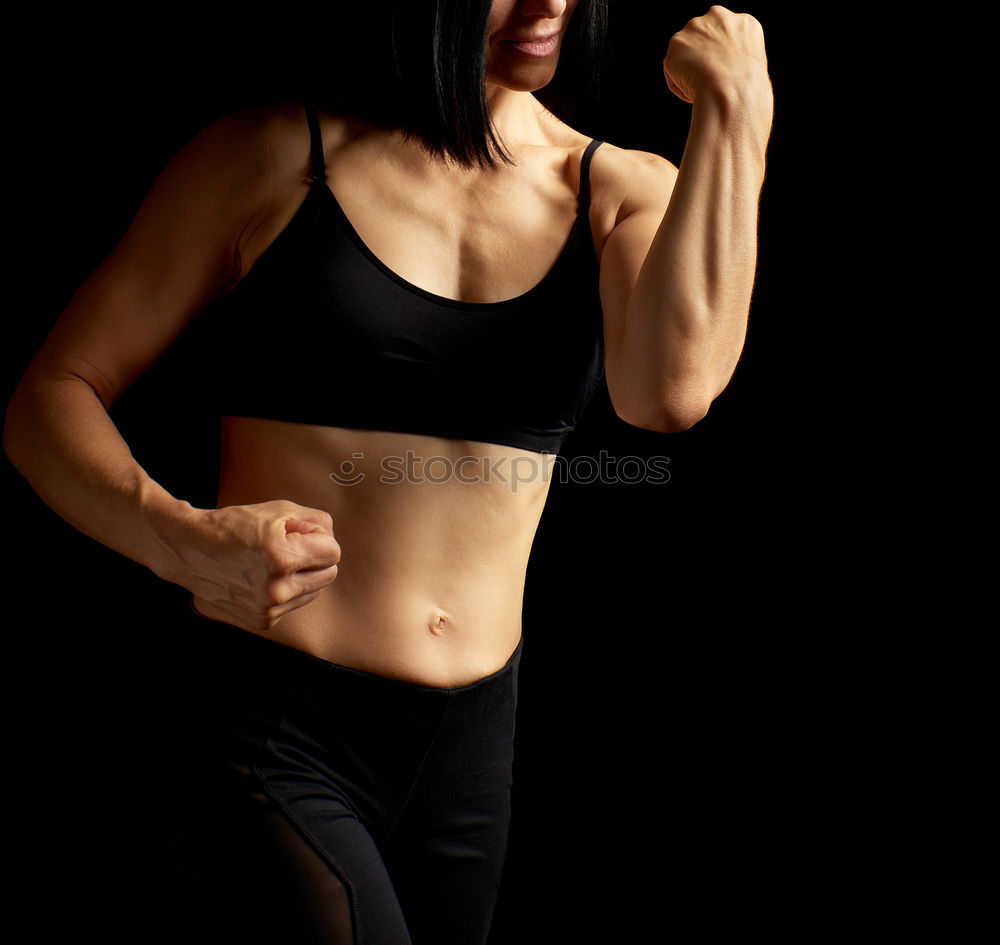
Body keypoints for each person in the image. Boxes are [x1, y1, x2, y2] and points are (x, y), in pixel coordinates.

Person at [3, 1, 773, 942]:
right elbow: (50, 398)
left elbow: (670, 392)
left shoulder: (618, 188)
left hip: (472, 751)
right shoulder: (274, 156)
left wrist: (738, 110)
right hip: (274, 725)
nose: (545, 4)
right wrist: (178, 541)